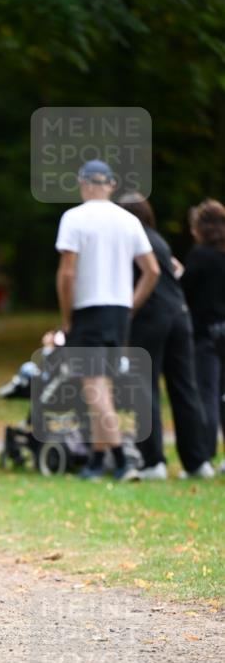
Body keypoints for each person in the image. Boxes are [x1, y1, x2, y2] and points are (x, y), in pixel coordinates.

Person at [55, 160, 160, 481]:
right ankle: (97, 462)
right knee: (105, 389)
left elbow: (67, 273)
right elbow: (152, 271)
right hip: (118, 313)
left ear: (83, 183)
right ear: (111, 185)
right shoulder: (128, 220)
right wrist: (130, 306)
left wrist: (66, 316)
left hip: (89, 310)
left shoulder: (74, 218)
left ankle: (121, 459)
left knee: (94, 390)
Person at [120, 194, 214, 479]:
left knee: (144, 387)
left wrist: (128, 311)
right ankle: (197, 463)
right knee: (185, 389)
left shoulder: (132, 240)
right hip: (180, 317)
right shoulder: (158, 240)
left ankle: (152, 462)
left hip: (151, 318)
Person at [181, 199, 225, 471]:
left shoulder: (200, 256)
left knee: (206, 393)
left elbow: (185, 291)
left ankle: (205, 454)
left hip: (206, 334)